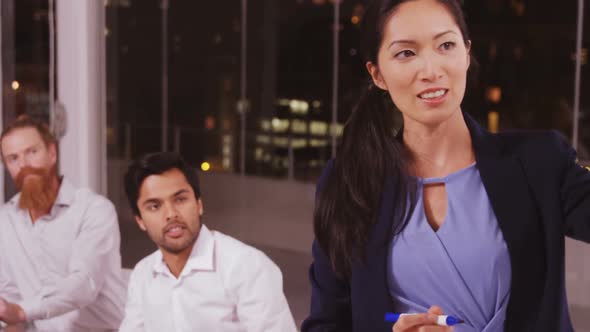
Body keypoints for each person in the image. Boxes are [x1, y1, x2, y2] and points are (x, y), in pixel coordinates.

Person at [301, 0, 590, 331]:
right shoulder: (348, 183)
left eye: (446, 45)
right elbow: (326, 324)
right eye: (406, 53)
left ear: (466, 54)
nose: (431, 70)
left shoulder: (540, 162)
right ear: (377, 74)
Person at [119, 152, 297, 331]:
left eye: (180, 199)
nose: (171, 214)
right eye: (155, 206)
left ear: (199, 205)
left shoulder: (246, 266)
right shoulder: (143, 274)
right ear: (140, 220)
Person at [0, 116, 126, 331]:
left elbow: (83, 284)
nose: (24, 165)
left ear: (52, 153)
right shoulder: (5, 220)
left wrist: (22, 311)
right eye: (13, 158)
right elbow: (10, 298)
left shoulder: (94, 210)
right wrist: (12, 315)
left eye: (32, 152)